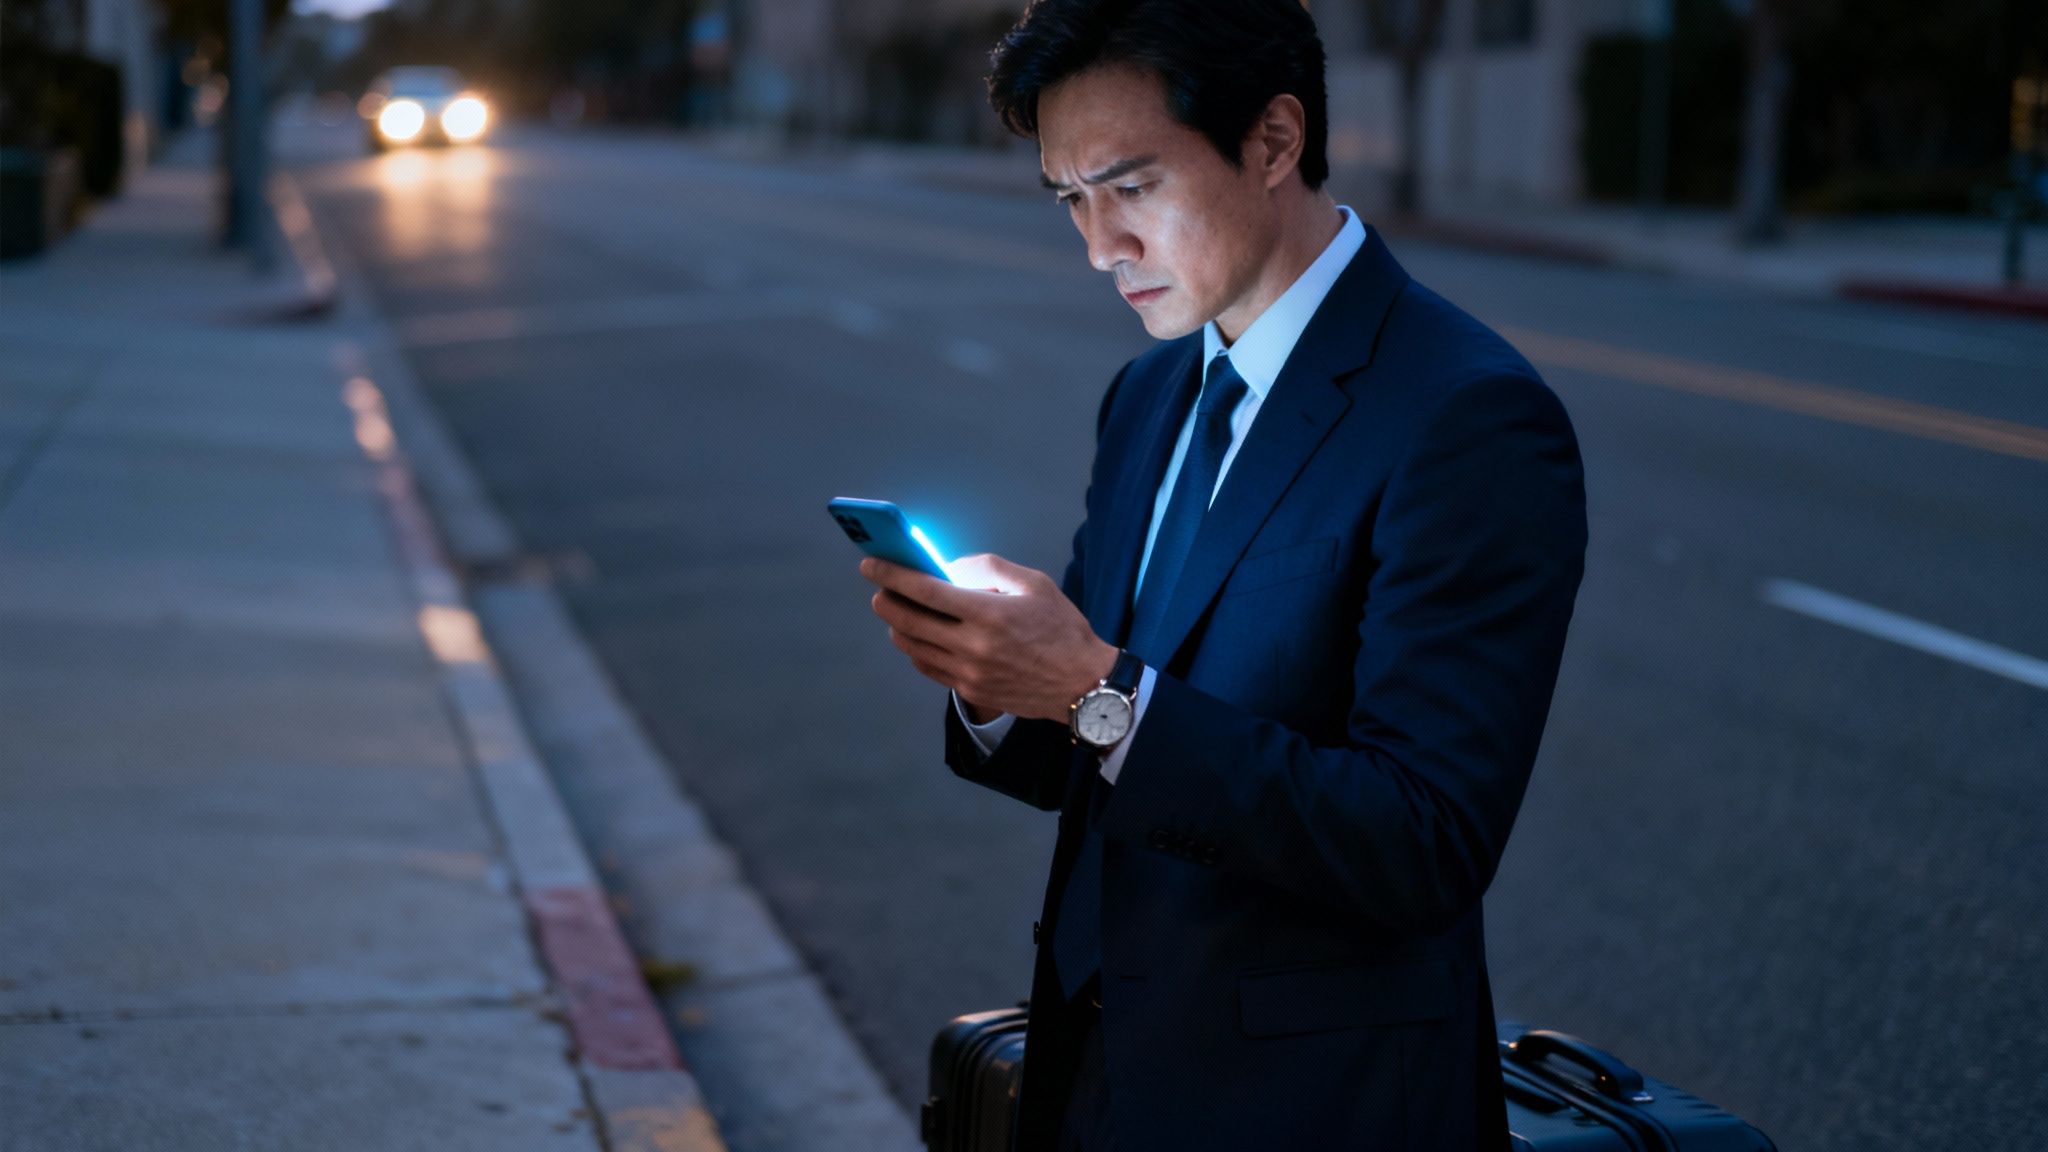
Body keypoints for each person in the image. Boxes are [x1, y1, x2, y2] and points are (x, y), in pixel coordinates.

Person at [858, 0, 1587, 1146]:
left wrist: (1092, 692)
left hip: (1311, 1109)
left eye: (1132, 187)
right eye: (1070, 199)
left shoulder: (1464, 415)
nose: (1099, 246)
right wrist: (994, 678)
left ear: (1272, 141)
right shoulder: (1147, 394)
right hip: (1092, 1076)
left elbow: (1423, 842)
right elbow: (1092, 738)